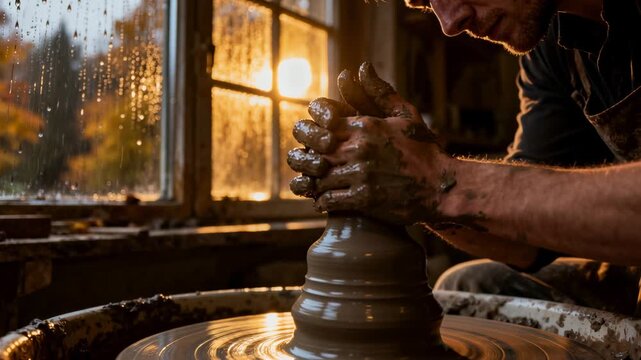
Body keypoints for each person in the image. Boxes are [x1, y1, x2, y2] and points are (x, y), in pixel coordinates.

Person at [287, 0, 641, 317]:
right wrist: (412, 196)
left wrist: (438, 182)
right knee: (467, 286)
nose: (449, 23)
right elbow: (528, 240)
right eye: (426, 3)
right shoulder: (551, 47)